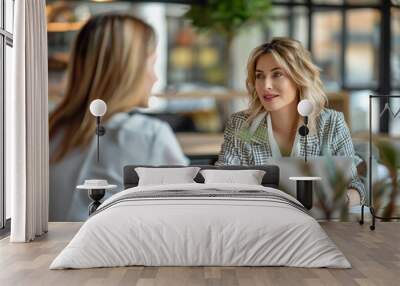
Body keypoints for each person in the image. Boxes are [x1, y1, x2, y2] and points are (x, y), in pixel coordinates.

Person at [49, 14, 188, 221]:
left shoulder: (44, 130)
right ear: (131, 70)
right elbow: (192, 213)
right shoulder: (148, 135)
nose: (155, 77)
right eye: (152, 64)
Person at [216, 37, 365, 206]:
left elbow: (354, 185)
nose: (266, 85)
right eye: (260, 76)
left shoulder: (330, 124)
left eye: (277, 74)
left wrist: (338, 202)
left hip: (318, 225)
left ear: (298, 77)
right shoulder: (241, 125)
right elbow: (220, 181)